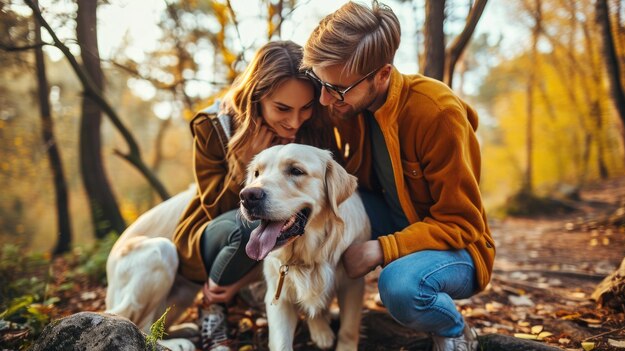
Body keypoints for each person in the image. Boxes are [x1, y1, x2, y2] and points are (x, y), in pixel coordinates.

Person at [301, 2, 496, 351]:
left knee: (401, 287)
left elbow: (462, 222)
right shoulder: (346, 103)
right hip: (389, 218)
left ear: (382, 74)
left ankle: (455, 330)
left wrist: (382, 249)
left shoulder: (436, 113)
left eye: (338, 89)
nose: (325, 99)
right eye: (320, 82)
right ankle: (299, 305)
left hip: (456, 247)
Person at [172, 40, 336, 351]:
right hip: (216, 232)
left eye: (306, 107)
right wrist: (245, 164)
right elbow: (213, 206)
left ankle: (273, 299)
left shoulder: (312, 128)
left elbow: (323, 208)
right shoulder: (213, 125)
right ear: (255, 98)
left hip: (282, 245)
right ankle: (212, 308)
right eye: (282, 109)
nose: (294, 122)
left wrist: (242, 282)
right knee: (252, 218)